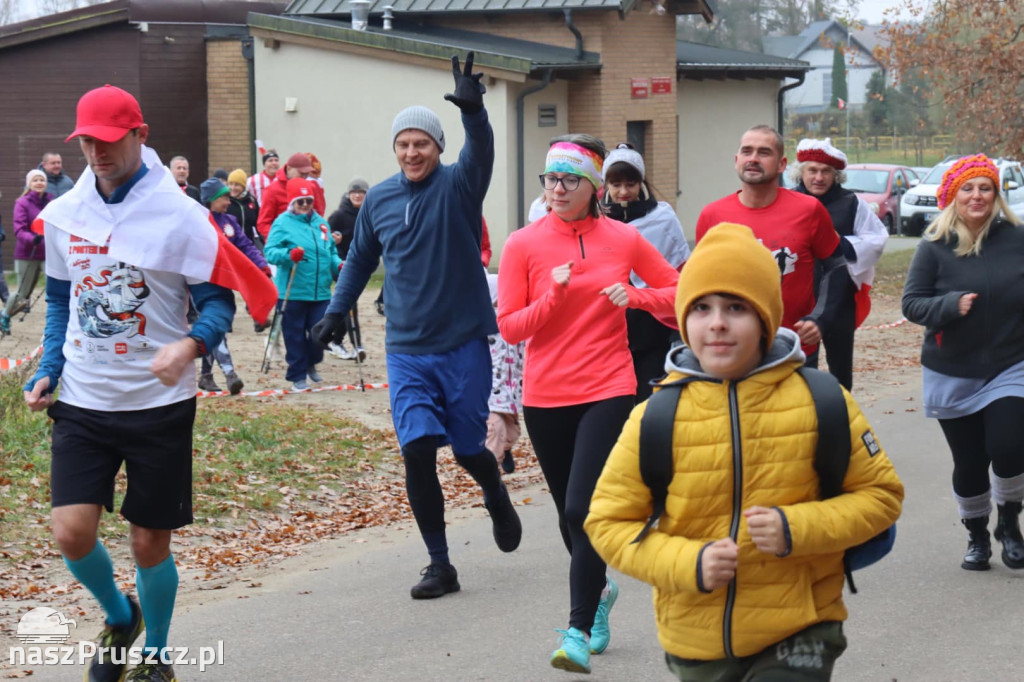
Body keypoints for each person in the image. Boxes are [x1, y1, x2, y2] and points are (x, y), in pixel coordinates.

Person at [23, 84, 274, 682]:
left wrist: (188, 347)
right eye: (86, 141)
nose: (97, 152)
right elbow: (61, 300)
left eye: (109, 140)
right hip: (84, 398)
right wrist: (49, 367)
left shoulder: (182, 217)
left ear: (140, 135)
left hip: (159, 404)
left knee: (147, 544)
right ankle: (120, 614)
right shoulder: (66, 216)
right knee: (71, 532)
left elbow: (219, 305)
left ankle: (156, 655)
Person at [585, 222, 904, 681]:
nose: (716, 322)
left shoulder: (821, 399)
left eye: (736, 307)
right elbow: (608, 523)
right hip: (695, 636)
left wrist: (796, 528)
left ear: (765, 318)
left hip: (803, 626)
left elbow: (881, 496)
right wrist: (688, 563)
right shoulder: (656, 416)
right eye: (701, 308)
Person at [313, 51, 522, 600]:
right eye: (404, 144)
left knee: (466, 449)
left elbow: (483, 152)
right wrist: (337, 310)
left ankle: (494, 491)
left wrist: (474, 113)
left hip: (462, 344)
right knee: (417, 450)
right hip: (406, 349)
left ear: (437, 148)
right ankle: (440, 565)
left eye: (421, 143)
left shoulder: (459, 186)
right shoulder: (378, 198)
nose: (412, 151)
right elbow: (359, 259)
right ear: (395, 149)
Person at [497, 136, 681, 674]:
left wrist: (638, 297)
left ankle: (576, 631)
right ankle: (599, 595)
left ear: (593, 187)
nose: (556, 189)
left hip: (609, 386)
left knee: (584, 509)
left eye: (568, 179)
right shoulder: (522, 245)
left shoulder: (623, 240)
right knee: (568, 518)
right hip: (546, 395)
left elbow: (678, 294)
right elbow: (509, 326)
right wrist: (551, 296)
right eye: (549, 179)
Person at [902, 154, 1024, 572]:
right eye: (967, 188)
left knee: (1009, 446)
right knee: (969, 461)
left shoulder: (1017, 238)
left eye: (985, 187)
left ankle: (1009, 523)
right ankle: (976, 536)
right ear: (953, 195)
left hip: (1011, 364)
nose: (977, 196)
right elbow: (912, 304)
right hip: (951, 368)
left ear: (996, 194)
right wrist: (950, 305)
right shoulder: (934, 246)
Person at [695, 125, 847, 362]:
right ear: (736, 160)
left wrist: (819, 318)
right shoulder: (712, 215)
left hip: (794, 347)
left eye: (764, 153)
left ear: (782, 164)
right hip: (732, 349)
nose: (753, 159)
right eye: (747, 152)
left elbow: (837, 267)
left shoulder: (809, 210)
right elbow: (700, 284)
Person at [789, 138, 888, 389]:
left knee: (840, 367)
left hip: (839, 296)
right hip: (797, 293)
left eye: (826, 172)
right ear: (801, 172)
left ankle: (842, 412)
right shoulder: (788, 201)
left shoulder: (851, 203)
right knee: (796, 363)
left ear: (836, 175)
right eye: (812, 170)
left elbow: (876, 239)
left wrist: (839, 245)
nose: (819, 177)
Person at [601, 142, 691, 400]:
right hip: (611, 321)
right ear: (606, 185)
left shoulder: (663, 217)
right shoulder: (596, 220)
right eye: (616, 185)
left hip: (654, 321)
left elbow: (681, 270)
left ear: (641, 183)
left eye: (630, 184)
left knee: (649, 396)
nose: (623, 191)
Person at [264, 177, 342, 391]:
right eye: (301, 201)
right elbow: (270, 252)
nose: (306, 205)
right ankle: (297, 374)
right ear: (292, 202)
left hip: (320, 292)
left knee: (321, 334)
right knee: (295, 336)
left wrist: (339, 265)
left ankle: (311, 363)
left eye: (309, 200)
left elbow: (330, 252)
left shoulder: (321, 223)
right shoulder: (282, 223)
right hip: (293, 292)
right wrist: (289, 255)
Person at [198, 177, 271, 394]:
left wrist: (261, 265)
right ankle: (230, 374)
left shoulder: (229, 221)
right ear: (211, 199)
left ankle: (206, 375)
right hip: (202, 283)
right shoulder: (199, 221)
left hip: (224, 280)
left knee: (216, 325)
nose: (228, 201)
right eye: (224, 197)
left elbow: (245, 245)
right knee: (216, 326)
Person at [1, 170, 51, 335]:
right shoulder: (22, 203)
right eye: (35, 180)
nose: (39, 183)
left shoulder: (52, 201)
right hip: (27, 254)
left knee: (55, 288)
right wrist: (32, 238)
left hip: (48, 253)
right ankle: (6, 315)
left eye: (42, 180)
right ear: (29, 184)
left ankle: (53, 326)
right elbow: (19, 229)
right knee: (23, 295)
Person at [326, 177, 369, 361]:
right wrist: (334, 241)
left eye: (361, 192)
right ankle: (355, 345)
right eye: (354, 192)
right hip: (341, 264)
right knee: (350, 304)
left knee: (347, 304)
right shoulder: (338, 215)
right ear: (348, 194)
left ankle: (335, 340)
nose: (357, 195)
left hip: (360, 265)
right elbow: (326, 239)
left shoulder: (369, 214)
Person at [484, 272, 523, 475]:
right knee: (495, 427)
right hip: (491, 387)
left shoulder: (515, 320)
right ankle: (492, 470)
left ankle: (506, 449)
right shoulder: (484, 325)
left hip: (514, 385)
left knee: (513, 430)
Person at [256, 152, 326, 241]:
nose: (304, 177)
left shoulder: (310, 187)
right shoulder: (273, 190)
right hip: (283, 246)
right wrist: (282, 237)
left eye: (306, 174)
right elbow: (263, 223)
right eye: (301, 173)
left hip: (307, 242)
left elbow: (318, 216)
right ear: (289, 169)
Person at [226, 168, 261, 247]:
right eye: (230, 184)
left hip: (248, 246)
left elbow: (258, 224)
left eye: (237, 185)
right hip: (230, 246)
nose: (233, 188)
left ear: (243, 186)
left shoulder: (251, 200)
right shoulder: (225, 201)